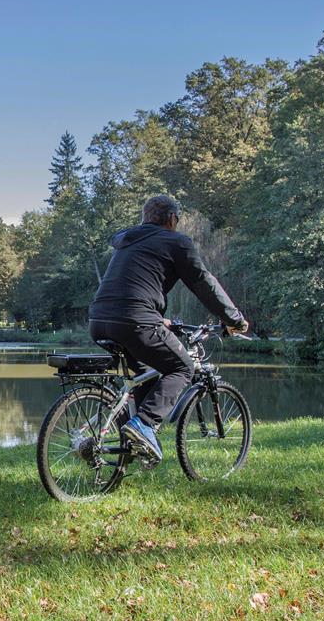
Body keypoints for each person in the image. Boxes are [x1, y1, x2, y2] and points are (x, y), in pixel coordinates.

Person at [88, 194, 247, 463]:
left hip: (99, 319)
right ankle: (144, 425)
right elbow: (202, 283)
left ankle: (126, 447)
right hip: (135, 319)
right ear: (172, 219)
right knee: (182, 368)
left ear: (145, 218)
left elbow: (133, 285)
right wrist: (234, 319)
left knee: (146, 376)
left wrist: (159, 319)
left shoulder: (126, 242)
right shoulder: (176, 242)